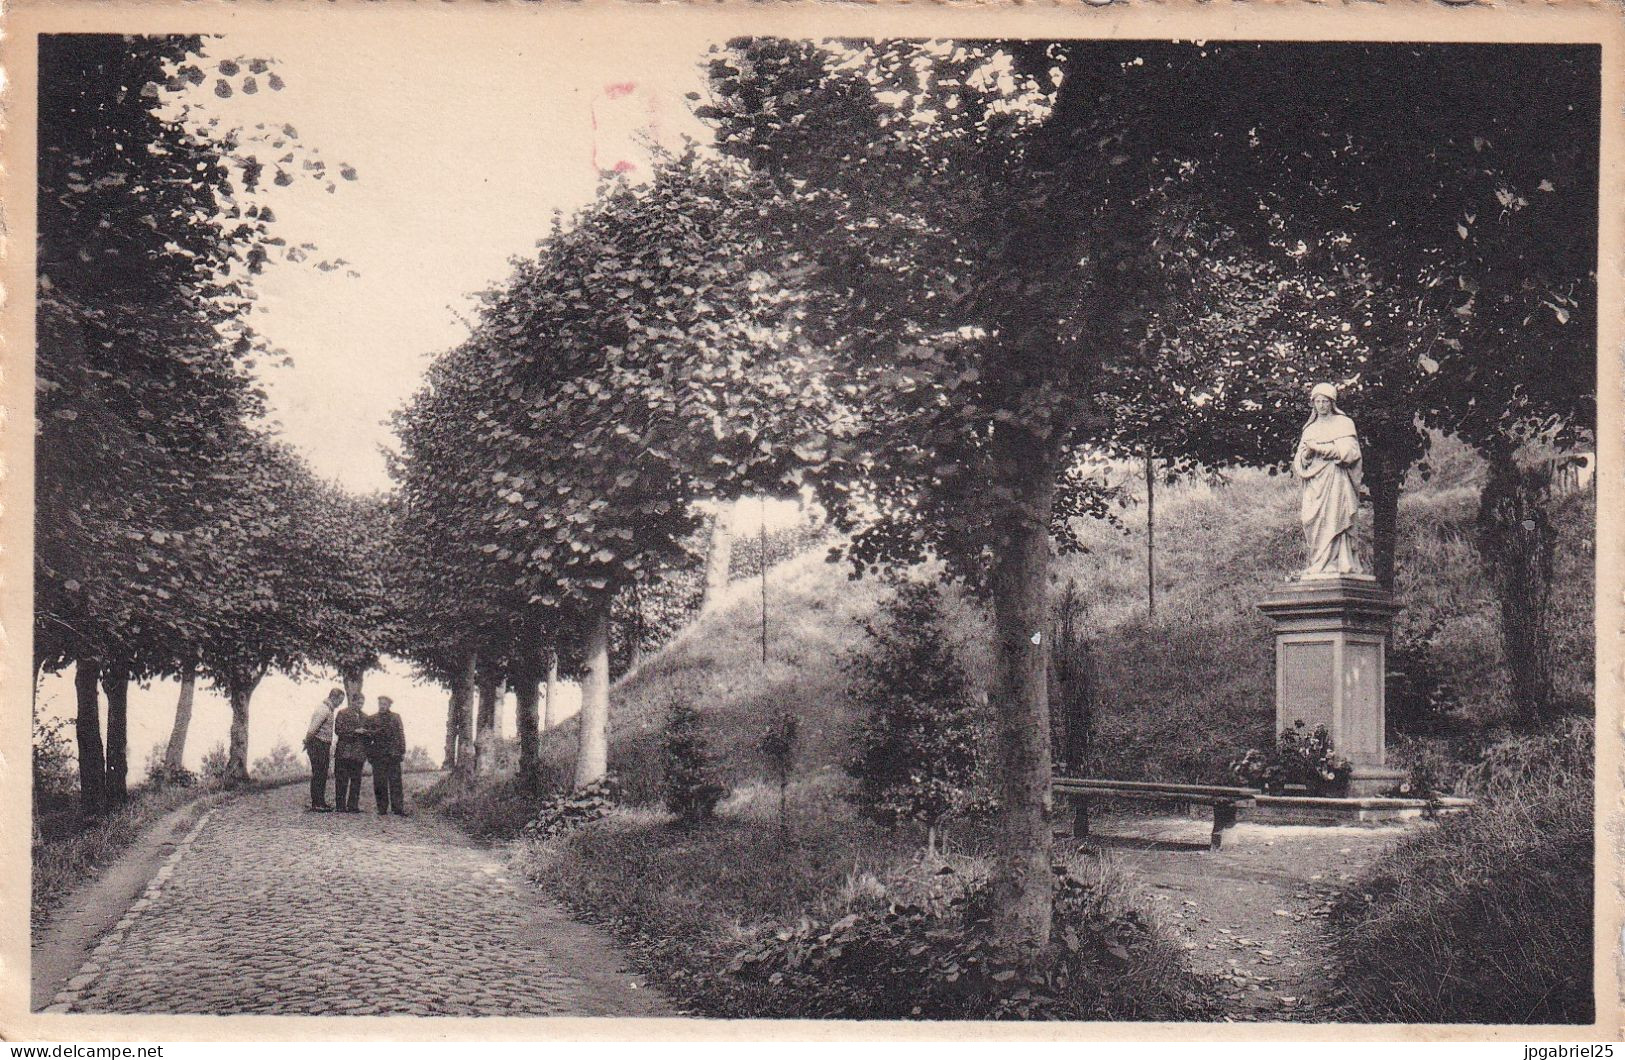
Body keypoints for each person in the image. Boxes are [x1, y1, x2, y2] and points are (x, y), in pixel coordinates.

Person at [1292, 382, 1365, 577]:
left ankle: (1338, 563)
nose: (1321, 405)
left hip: (1335, 480)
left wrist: (1320, 448)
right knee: (1313, 520)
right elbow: (1300, 461)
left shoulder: (1344, 423)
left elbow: (1350, 452)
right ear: (1313, 403)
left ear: (1332, 403)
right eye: (1317, 401)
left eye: (1325, 401)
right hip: (1315, 483)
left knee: (1335, 518)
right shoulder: (1309, 430)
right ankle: (1319, 563)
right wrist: (1307, 455)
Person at [303, 688, 343, 812]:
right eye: (340, 701)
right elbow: (312, 730)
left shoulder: (328, 709)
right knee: (319, 773)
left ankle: (320, 801)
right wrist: (307, 742)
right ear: (334, 698)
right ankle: (316, 803)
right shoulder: (323, 709)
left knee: (322, 773)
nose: (340, 704)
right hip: (317, 744)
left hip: (323, 744)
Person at [368, 695, 409, 816]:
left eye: (384, 704)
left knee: (395, 782)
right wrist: (370, 755)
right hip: (378, 756)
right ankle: (382, 808)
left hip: (393, 755)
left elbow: (401, 734)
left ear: (389, 705)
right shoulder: (372, 719)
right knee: (379, 782)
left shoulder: (395, 717)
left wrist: (402, 751)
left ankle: (398, 808)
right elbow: (367, 738)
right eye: (380, 704)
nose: (382, 706)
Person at [333, 693, 371, 813]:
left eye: (362, 703)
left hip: (358, 754)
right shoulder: (342, 713)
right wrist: (355, 731)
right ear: (352, 701)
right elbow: (338, 730)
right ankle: (340, 806)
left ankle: (353, 806)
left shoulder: (365, 717)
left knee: (356, 780)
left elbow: (368, 736)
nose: (360, 705)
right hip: (344, 752)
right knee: (341, 780)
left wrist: (368, 734)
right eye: (358, 703)